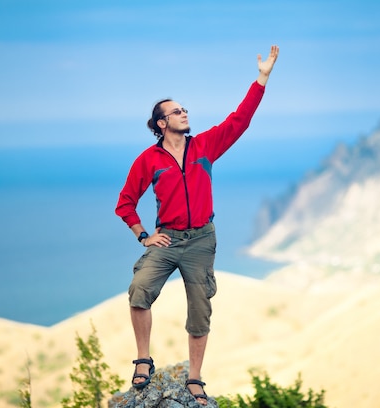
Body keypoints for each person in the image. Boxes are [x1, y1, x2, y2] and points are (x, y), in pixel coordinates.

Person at [115, 45, 279, 405]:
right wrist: (144, 235)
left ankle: (195, 379)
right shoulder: (149, 160)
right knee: (139, 289)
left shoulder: (205, 146)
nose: (184, 113)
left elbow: (240, 120)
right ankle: (143, 359)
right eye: (176, 111)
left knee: (200, 309)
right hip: (167, 240)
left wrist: (261, 79)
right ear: (162, 123)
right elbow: (125, 203)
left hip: (203, 238)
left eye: (185, 109)